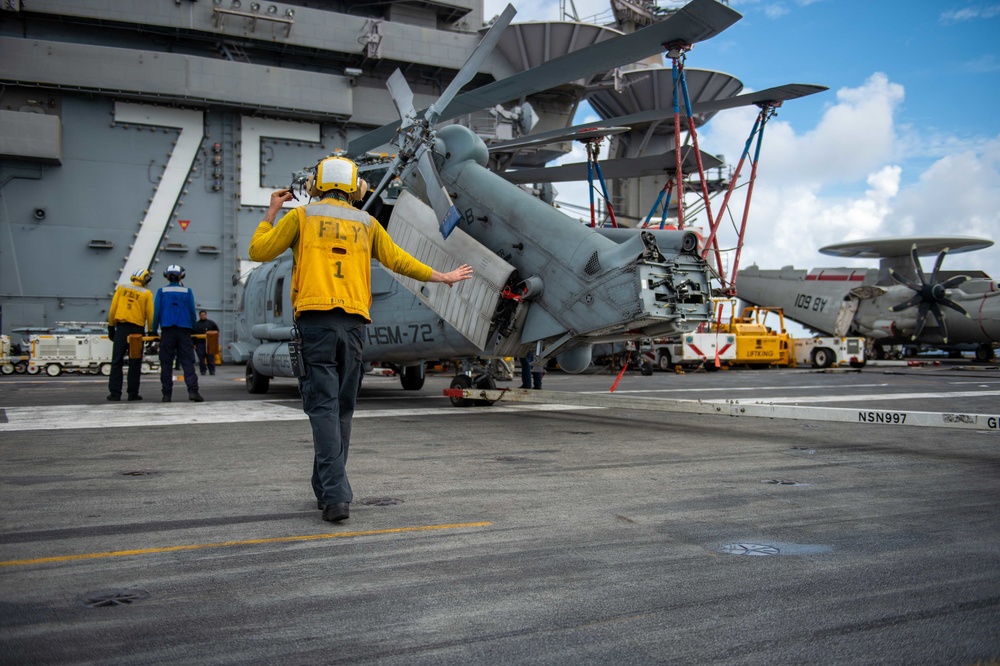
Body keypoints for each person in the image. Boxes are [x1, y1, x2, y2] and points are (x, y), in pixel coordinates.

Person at [249, 156, 473, 523]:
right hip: (353, 328)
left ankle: (336, 495)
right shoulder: (366, 222)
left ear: (318, 185)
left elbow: (258, 252)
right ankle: (325, 486)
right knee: (342, 409)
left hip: (316, 324)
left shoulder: (301, 218)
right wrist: (442, 277)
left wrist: (271, 212)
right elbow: (399, 260)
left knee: (322, 408)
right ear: (354, 188)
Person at [152, 264, 204, 403]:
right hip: (184, 331)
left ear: (167, 276)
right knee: (188, 363)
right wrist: (193, 327)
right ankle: (193, 392)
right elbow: (192, 312)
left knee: (166, 363)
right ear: (182, 276)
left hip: (167, 331)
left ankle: (166, 395)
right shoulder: (187, 291)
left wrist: (152, 330)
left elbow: (156, 313)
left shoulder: (161, 291)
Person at [107, 269, 154, 401]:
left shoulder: (122, 288)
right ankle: (133, 393)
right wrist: (151, 331)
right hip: (137, 331)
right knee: (135, 362)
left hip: (121, 328)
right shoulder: (147, 293)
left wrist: (111, 327)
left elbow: (113, 309)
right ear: (144, 279)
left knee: (117, 361)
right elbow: (150, 314)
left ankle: (115, 394)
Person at [193, 310, 219, 375]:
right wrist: (194, 344)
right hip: (199, 343)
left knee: (210, 358)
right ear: (199, 316)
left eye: (204, 315)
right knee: (201, 358)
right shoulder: (196, 325)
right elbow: (192, 335)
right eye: (201, 315)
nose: (203, 316)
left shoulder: (211, 323)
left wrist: (215, 342)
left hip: (210, 343)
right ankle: (203, 371)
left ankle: (212, 371)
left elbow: (217, 332)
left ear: (206, 315)